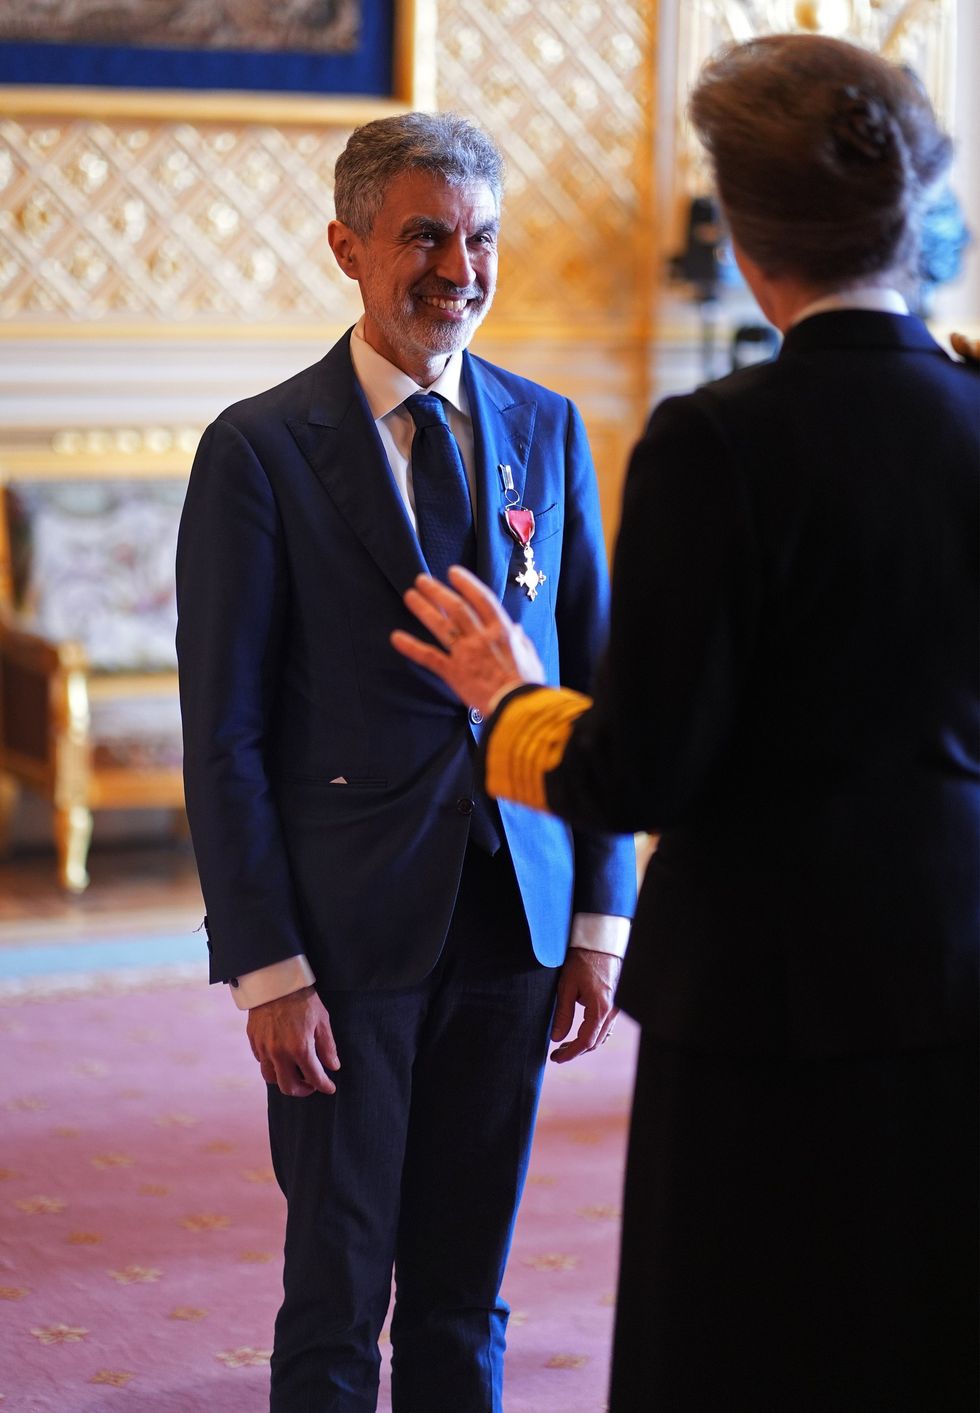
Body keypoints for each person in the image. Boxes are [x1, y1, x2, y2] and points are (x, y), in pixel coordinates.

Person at [392, 35, 979, 1413]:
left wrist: (508, 697)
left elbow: (637, 770)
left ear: (751, 240)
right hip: (958, 960)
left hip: (765, 992)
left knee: (750, 1343)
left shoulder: (722, 440)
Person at [175, 111, 636, 1413]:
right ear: (348, 246)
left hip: (515, 918)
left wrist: (598, 920)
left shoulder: (547, 426)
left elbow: (593, 690)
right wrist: (267, 966)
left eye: (481, 238)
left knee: (463, 1294)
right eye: (425, 236)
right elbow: (225, 733)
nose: (459, 268)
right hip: (344, 936)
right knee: (335, 1295)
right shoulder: (260, 448)